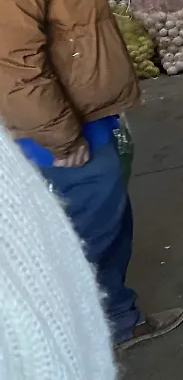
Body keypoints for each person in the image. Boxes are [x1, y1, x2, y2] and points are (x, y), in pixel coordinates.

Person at [0, 0, 183, 350]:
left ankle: (114, 322)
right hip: (59, 136)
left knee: (102, 225)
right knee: (85, 237)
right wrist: (61, 138)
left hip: (80, 120)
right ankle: (92, 338)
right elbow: (11, 61)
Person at [0, 122, 117, 379]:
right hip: (66, 145)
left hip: (76, 131)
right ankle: (119, 318)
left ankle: (121, 314)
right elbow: (24, 81)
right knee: (95, 236)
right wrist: (64, 140)